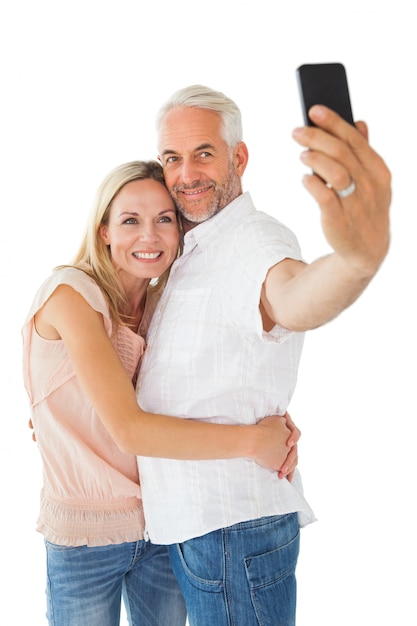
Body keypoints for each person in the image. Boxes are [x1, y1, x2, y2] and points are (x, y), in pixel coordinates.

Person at [135, 85, 391, 626]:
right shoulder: (188, 247)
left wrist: (356, 260)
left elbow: (293, 296)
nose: (186, 174)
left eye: (203, 153)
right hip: (193, 528)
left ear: (239, 158)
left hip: (232, 532)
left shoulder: (253, 238)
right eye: (172, 159)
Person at [22, 160, 301, 626]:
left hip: (159, 527)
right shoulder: (70, 295)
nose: (148, 236)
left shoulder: (160, 306)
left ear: (179, 232)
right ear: (104, 230)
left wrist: (273, 418)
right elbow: (131, 431)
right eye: (130, 220)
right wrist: (256, 441)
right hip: (85, 541)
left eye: (164, 219)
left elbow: (205, 386)